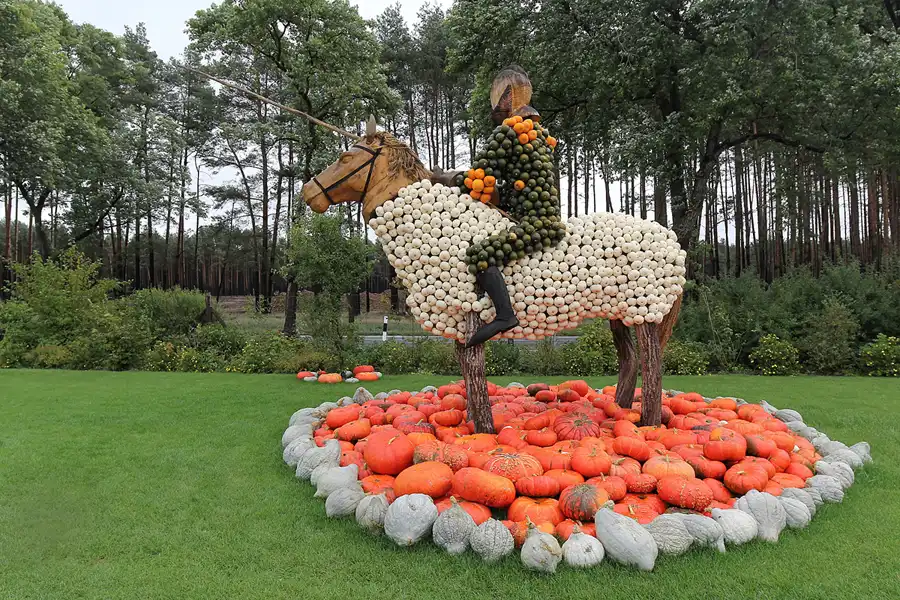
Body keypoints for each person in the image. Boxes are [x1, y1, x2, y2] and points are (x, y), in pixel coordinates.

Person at [432, 66, 563, 348]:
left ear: (507, 97)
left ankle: (505, 315)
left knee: (480, 253)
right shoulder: (537, 134)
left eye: (498, 96)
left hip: (536, 224)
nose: (496, 103)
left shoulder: (509, 133)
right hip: (538, 218)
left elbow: (478, 181)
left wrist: (443, 177)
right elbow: (515, 185)